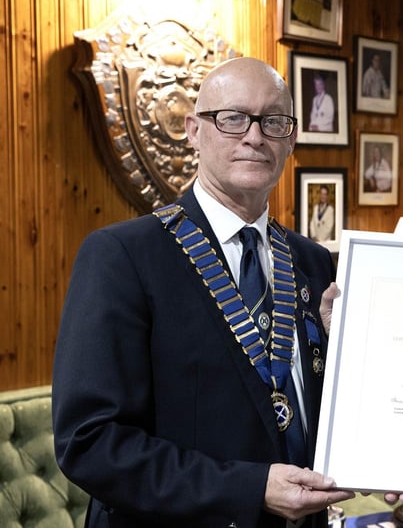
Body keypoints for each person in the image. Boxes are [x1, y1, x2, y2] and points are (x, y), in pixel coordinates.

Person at [52, 57, 354, 528]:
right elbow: (90, 443)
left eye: (273, 121)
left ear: (291, 138)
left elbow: (312, 407)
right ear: (194, 130)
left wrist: (347, 360)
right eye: (233, 118)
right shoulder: (123, 256)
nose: (255, 137)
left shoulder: (313, 260)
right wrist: (250, 489)